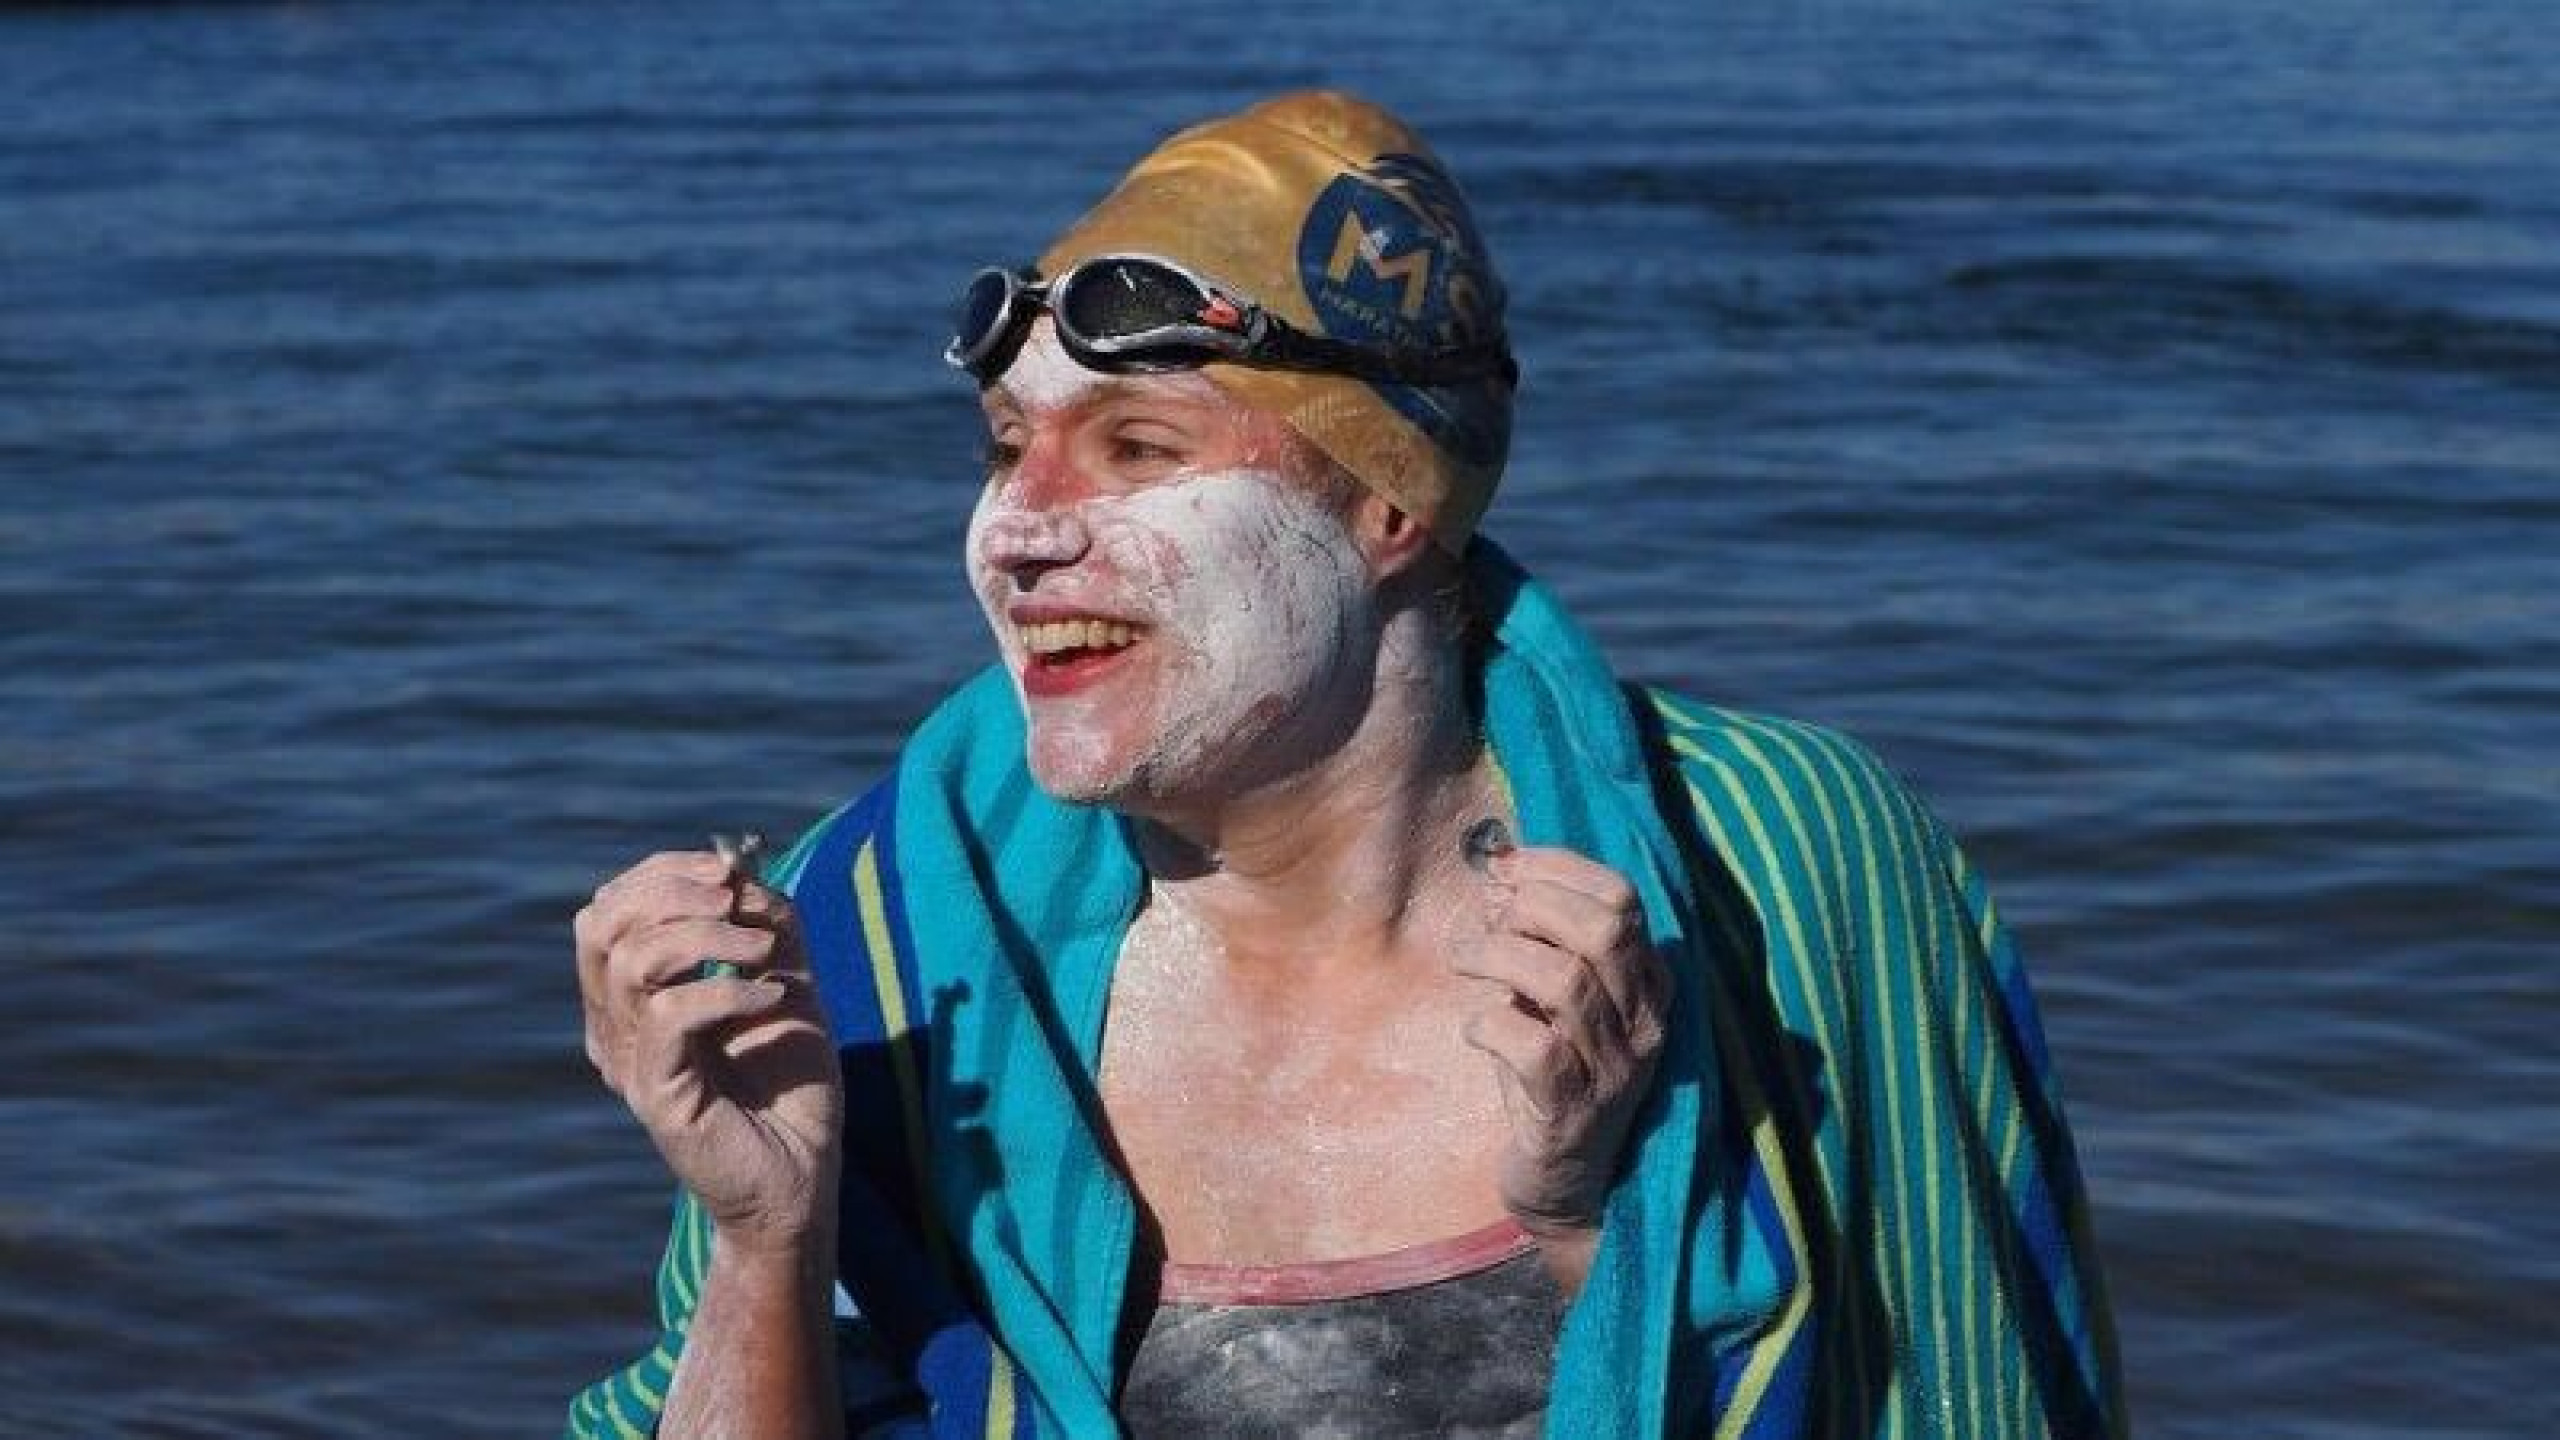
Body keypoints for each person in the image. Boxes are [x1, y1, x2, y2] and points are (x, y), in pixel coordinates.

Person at [568, 92, 2124, 1439]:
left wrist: (1600, 1222)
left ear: (1391, 511)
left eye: (1139, 448)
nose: (1020, 530)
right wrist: (766, 1232)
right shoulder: (886, 930)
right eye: (1001, 445)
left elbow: (1957, 1384)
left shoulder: (1780, 867)